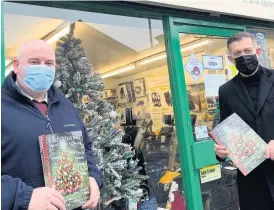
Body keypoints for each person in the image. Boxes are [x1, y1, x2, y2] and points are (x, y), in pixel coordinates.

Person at [1, 40, 103, 210]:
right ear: (17, 65)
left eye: (49, 63)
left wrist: (93, 177)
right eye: (34, 62)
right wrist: (23, 198)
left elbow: (86, 148)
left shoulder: (65, 105)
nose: (43, 68)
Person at [214, 32, 274, 210]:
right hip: (252, 179)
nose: (243, 57)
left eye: (247, 51)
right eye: (237, 54)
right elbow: (225, 129)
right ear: (230, 59)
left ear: (258, 51)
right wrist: (221, 152)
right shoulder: (225, 91)